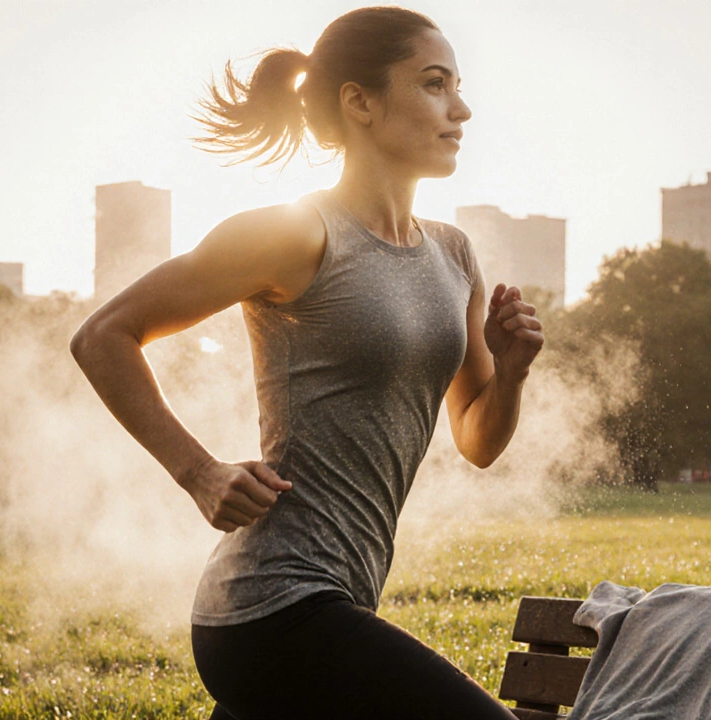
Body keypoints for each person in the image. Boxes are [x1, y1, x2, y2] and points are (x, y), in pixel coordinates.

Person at [69, 6, 542, 719]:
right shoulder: (294, 234)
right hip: (271, 604)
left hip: (334, 602)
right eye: (435, 84)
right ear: (359, 101)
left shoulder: (455, 256)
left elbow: (477, 439)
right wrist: (198, 472)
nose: (461, 108)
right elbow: (103, 335)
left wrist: (510, 373)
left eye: (458, 85)